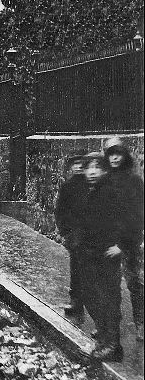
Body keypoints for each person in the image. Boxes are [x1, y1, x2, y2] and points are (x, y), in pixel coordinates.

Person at [77, 152, 129, 361]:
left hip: (107, 254)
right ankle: (103, 340)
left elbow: (131, 218)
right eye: (88, 167)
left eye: (96, 168)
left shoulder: (112, 191)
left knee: (109, 299)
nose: (91, 172)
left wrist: (122, 246)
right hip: (90, 254)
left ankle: (113, 346)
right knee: (91, 296)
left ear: (105, 170)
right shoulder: (90, 191)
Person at [104, 137, 144, 341]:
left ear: (124, 155)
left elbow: (136, 216)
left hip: (128, 242)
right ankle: (109, 326)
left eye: (118, 153)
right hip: (109, 242)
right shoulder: (106, 180)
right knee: (109, 286)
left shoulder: (134, 181)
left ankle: (140, 323)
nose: (115, 158)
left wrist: (124, 245)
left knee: (134, 282)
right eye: (111, 154)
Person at [54, 153, 88, 317]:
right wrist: (64, 232)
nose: (79, 166)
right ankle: (76, 303)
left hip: (89, 233)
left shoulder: (90, 184)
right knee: (76, 270)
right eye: (75, 164)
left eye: (82, 163)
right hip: (74, 235)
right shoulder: (67, 186)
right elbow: (60, 210)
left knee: (92, 273)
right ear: (71, 167)